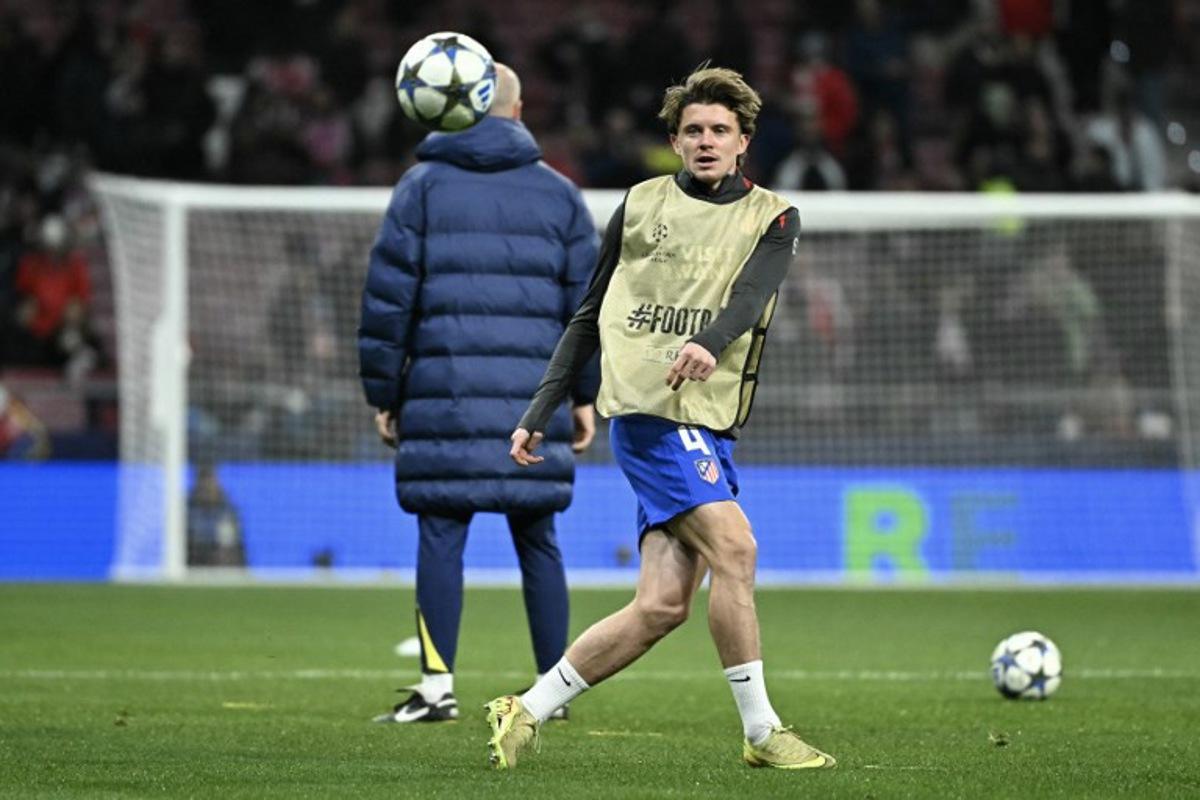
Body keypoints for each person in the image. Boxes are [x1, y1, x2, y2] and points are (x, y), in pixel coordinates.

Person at [485, 66, 836, 771]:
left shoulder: (773, 216)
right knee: (736, 551)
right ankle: (763, 732)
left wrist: (710, 340)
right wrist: (541, 407)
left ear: (743, 142)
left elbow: (751, 296)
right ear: (674, 141)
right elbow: (589, 313)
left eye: (720, 131)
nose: (706, 142)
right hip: (650, 410)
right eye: (693, 131)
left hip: (707, 418)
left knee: (661, 607)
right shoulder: (641, 205)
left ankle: (525, 709)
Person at [358, 64, 599, 724]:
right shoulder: (560, 196)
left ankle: (436, 691)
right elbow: (587, 305)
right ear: (519, 112)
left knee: (441, 533)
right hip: (535, 404)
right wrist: (584, 394)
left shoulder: (421, 188)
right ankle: (554, 694)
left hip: (442, 395)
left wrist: (386, 393)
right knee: (538, 538)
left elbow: (387, 303)